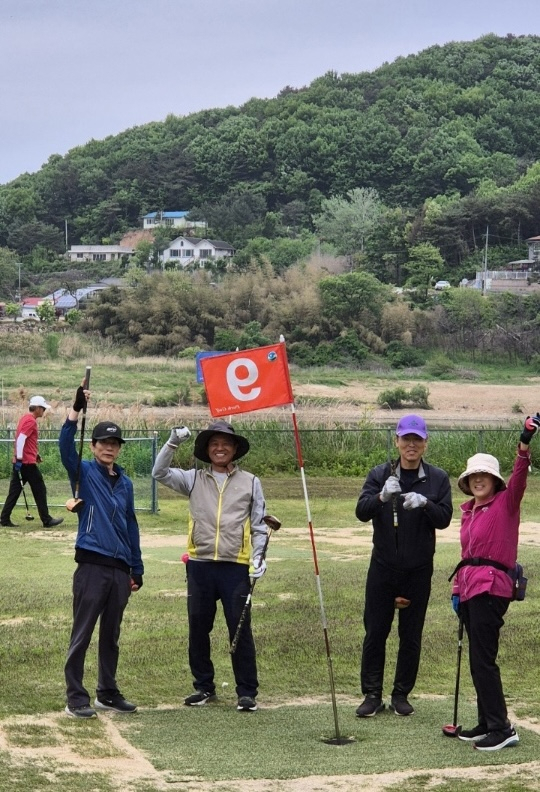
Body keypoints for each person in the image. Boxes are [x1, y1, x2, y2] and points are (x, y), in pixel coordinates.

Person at [152, 420, 268, 712]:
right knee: (198, 628)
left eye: (226, 444)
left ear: (234, 449)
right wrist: (172, 443)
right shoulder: (194, 479)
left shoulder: (250, 482)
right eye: (215, 444)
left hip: (235, 567)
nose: (220, 448)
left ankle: (246, 691)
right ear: (207, 449)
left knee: (239, 630)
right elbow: (159, 472)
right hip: (200, 565)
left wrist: (258, 557)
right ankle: (204, 687)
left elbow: (259, 524)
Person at [450, 413, 540, 751]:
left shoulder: (507, 502)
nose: (478, 480)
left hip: (492, 587)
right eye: (473, 476)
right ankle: (488, 721)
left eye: (484, 475)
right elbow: (465, 556)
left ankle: (502, 728)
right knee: (477, 658)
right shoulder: (469, 511)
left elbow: (519, 475)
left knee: (483, 659)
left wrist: (524, 443)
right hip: (470, 588)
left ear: (494, 479)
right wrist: (457, 591)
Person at [355, 414, 452, 717]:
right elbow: (361, 511)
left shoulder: (437, 478)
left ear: (425, 443)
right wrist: (382, 496)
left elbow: (444, 519)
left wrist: (425, 504)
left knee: (411, 635)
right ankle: (372, 694)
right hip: (383, 567)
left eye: (417, 439)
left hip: (418, 569)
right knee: (375, 632)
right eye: (406, 438)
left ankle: (401, 694)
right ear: (396, 441)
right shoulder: (379, 473)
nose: (411, 444)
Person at [59, 383, 144, 719]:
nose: (109, 448)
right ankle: (75, 697)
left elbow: (131, 526)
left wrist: (136, 568)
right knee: (82, 633)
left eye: (114, 444)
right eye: (104, 443)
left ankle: (107, 693)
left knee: (111, 636)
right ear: (93, 446)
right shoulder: (83, 472)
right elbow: (65, 446)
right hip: (92, 566)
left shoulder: (125, 484)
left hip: (120, 570)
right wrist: (74, 410)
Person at [1, 395, 63, 528]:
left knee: (15, 491)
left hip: (24, 461)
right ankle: (46, 520)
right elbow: (21, 439)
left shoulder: (25, 418)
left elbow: (26, 441)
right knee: (40, 489)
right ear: (37, 408)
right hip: (26, 464)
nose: (44, 411)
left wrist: (35, 454)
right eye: (43, 408)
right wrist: (19, 458)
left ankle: (4, 518)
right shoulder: (31, 421)